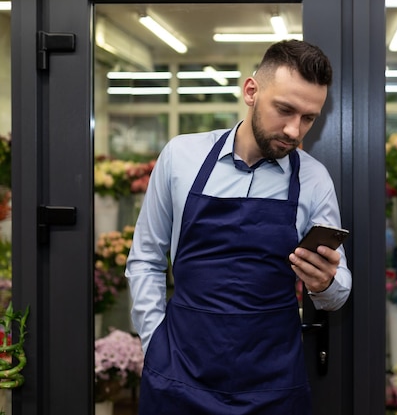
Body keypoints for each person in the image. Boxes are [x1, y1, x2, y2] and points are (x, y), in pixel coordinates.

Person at [125, 39, 352, 415]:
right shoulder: (181, 157)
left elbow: (338, 289)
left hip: (273, 384)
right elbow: (146, 258)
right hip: (179, 373)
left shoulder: (314, 180)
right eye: (285, 110)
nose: (295, 131)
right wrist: (155, 343)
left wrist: (326, 283)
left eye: (309, 118)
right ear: (251, 91)